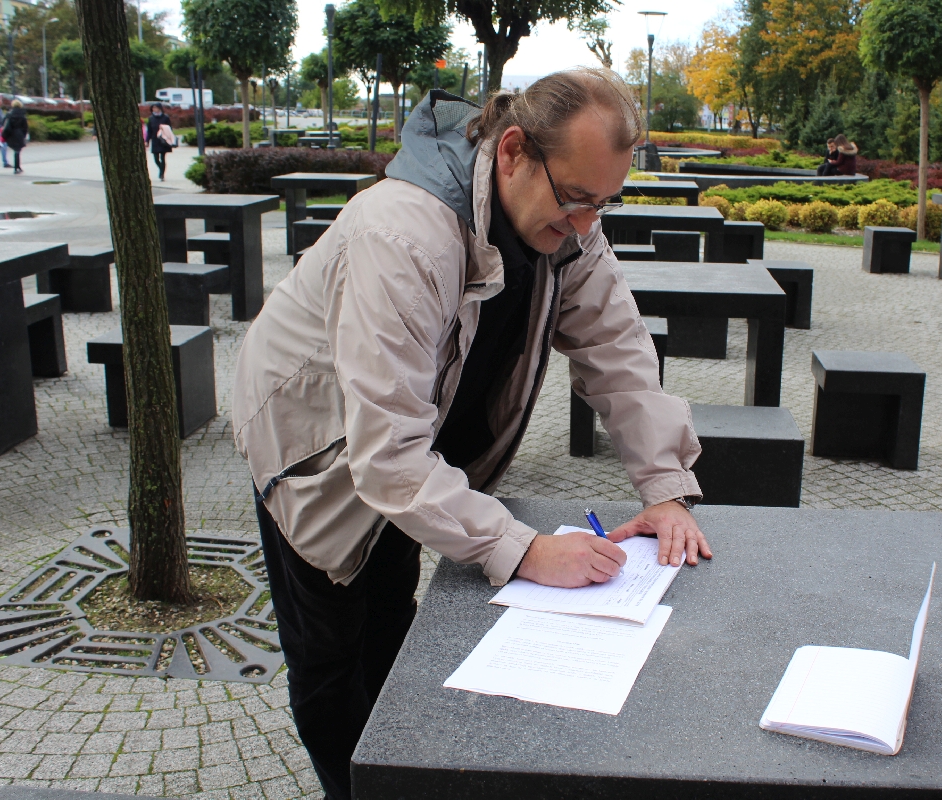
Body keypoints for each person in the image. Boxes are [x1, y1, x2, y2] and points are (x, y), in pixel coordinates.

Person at [232, 67, 711, 800]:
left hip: (408, 450)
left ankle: (394, 770)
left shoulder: (569, 227)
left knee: (391, 622)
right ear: (513, 150)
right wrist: (522, 548)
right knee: (331, 658)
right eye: (577, 198)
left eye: (603, 204)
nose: (588, 225)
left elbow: (619, 357)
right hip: (314, 451)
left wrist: (667, 488)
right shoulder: (404, 234)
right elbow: (385, 455)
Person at [144, 103, 174, 181]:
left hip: (163, 140)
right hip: (155, 140)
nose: (155, 109)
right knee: (156, 158)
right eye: (153, 108)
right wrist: (147, 141)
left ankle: (162, 174)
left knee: (163, 157)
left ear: (160, 108)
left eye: (156, 108)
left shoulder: (165, 117)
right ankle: (161, 168)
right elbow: (149, 131)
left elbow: (170, 129)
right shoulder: (151, 118)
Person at [0, 99, 28, 175]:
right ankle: (17, 166)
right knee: (18, 150)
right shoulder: (23, 114)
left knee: (15, 150)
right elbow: (25, 126)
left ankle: (17, 167)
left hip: (11, 133)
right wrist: (24, 134)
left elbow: (4, 124)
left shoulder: (9, 114)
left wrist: (5, 135)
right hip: (19, 133)